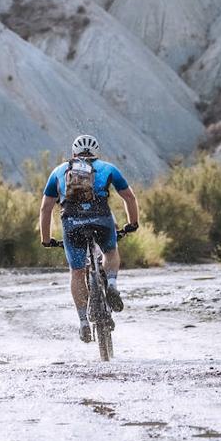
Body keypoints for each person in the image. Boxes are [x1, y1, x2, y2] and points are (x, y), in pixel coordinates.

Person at [39, 133, 139, 343]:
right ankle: (111, 284)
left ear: (73, 153)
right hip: (101, 220)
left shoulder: (59, 171)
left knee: (76, 272)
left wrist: (46, 239)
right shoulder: (108, 168)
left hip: (72, 223)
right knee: (110, 251)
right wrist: (132, 223)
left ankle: (84, 322)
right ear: (96, 151)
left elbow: (46, 208)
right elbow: (129, 197)